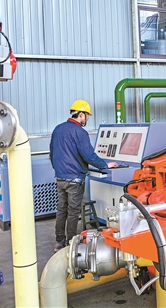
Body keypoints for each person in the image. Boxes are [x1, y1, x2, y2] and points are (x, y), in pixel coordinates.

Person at [49, 99, 117, 252]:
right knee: (73, 212)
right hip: (74, 178)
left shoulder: (58, 129)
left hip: (60, 177)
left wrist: (59, 170)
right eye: (87, 116)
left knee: (61, 210)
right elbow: (88, 155)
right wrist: (105, 165)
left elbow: (52, 153)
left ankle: (59, 243)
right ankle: (71, 243)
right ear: (81, 114)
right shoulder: (80, 132)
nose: (87, 119)